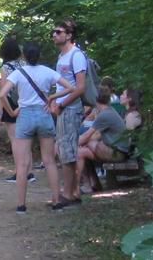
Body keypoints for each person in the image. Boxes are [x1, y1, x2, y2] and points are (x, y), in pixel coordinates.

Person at [0, 41, 75, 213]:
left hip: (25, 116)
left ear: (24, 56)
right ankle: (56, 201)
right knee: (49, 161)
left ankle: (21, 205)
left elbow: (3, 94)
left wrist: (11, 112)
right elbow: (71, 87)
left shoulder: (19, 73)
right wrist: (52, 97)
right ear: (39, 55)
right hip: (44, 114)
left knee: (22, 164)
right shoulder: (48, 72)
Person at [51, 19, 90, 206]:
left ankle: (67, 194)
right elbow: (62, 84)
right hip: (62, 108)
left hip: (71, 109)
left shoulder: (77, 56)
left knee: (67, 152)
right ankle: (73, 193)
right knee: (66, 151)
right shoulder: (61, 57)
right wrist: (54, 100)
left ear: (69, 35)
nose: (54, 35)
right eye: (53, 32)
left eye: (58, 32)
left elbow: (80, 87)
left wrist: (62, 104)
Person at [77, 88, 132, 194]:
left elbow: (86, 137)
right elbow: (95, 137)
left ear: (95, 101)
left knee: (81, 149)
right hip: (119, 151)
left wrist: (69, 144)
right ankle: (94, 184)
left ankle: (80, 186)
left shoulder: (104, 115)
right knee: (81, 151)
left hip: (117, 153)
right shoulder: (109, 111)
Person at [0, 37, 34, 184]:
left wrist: (0, 112)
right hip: (25, 103)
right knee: (26, 139)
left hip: (11, 105)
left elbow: (3, 92)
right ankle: (30, 171)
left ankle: (19, 171)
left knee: (15, 140)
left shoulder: (5, 68)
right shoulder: (24, 64)